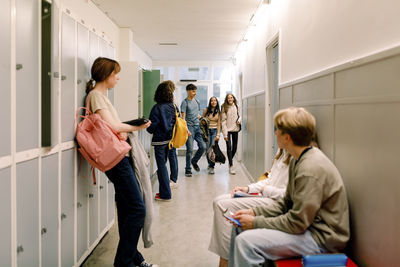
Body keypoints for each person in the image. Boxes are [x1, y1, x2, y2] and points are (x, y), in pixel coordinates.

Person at [227, 107, 350, 267]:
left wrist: (256, 222)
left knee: (246, 242)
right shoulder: (297, 159)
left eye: (277, 129)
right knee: (239, 228)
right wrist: (254, 212)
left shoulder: (310, 169)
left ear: (287, 138)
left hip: (322, 238)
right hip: (308, 228)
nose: (275, 133)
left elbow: (297, 223)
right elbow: (286, 204)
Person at [85, 57, 157, 267]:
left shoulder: (101, 96)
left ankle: (135, 259)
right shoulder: (96, 96)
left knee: (127, 209)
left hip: (118, 157)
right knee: (137, 208)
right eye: (115, 73)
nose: (117, 77)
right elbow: (114, 127)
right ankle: (124, 262)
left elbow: (113, 126)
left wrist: (126, 129)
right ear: (106, 75)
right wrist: (137, 128)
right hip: (116, 160)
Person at [209, 149, 291, 267]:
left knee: (222, 206)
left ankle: (225, 261)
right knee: (217, 201)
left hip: (276, 201)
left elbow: (290, 194)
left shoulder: (297, 157)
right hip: (267, 195)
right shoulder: (282, 152)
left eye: (278, 131)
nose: (276, 133)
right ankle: (225, 257)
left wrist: (267, 190)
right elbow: (269, 180)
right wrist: (248, 189)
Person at [146, 80, 177, 201]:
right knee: (167, 163)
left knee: (162, 166)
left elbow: (152, 128)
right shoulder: (174, 107)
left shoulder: (156, 108)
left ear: (158, 94)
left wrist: (147, 124)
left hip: (159, 141)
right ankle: (167, 188)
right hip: (170, 140)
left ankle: (165, 194)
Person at [180, 83, 206, 177]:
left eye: (195, 91)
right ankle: (188, 169)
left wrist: (202, 119)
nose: (195, 93)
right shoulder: (184, 102)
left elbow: (196, 114)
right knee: (190, 149)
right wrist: (186, 130)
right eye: (193, 91)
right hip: (189, 127)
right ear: (188, 91)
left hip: (197, 127)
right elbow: (183, 119)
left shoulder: (197, 101)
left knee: (203, 146)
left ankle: (194, 161)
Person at [221, 94, 241, 175]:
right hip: (228, 130)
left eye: (231, 97)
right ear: (226, 99)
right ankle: (231, 165)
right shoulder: (224, 107)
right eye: (228, 98)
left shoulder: (237, 106)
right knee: (229, 147)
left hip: (235, 129)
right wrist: (225, 134)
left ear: (233, 98)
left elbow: (240, 116)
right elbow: (223, 121)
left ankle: (229, 160)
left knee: (235, 148)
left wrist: (239, 120)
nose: (230, 99)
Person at [202, 96, 221, 174]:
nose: (213, 102)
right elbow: (202, 122)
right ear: (210, 102)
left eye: (215, 100)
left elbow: (219, 124)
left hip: (215, 131)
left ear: (217, 102)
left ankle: (211, 166)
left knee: (212, 149)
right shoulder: (206, 110)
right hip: (207, 131)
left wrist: (218, 134)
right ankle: (210, 164)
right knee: (207, 149)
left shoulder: (219, 112)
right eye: (212, 101)